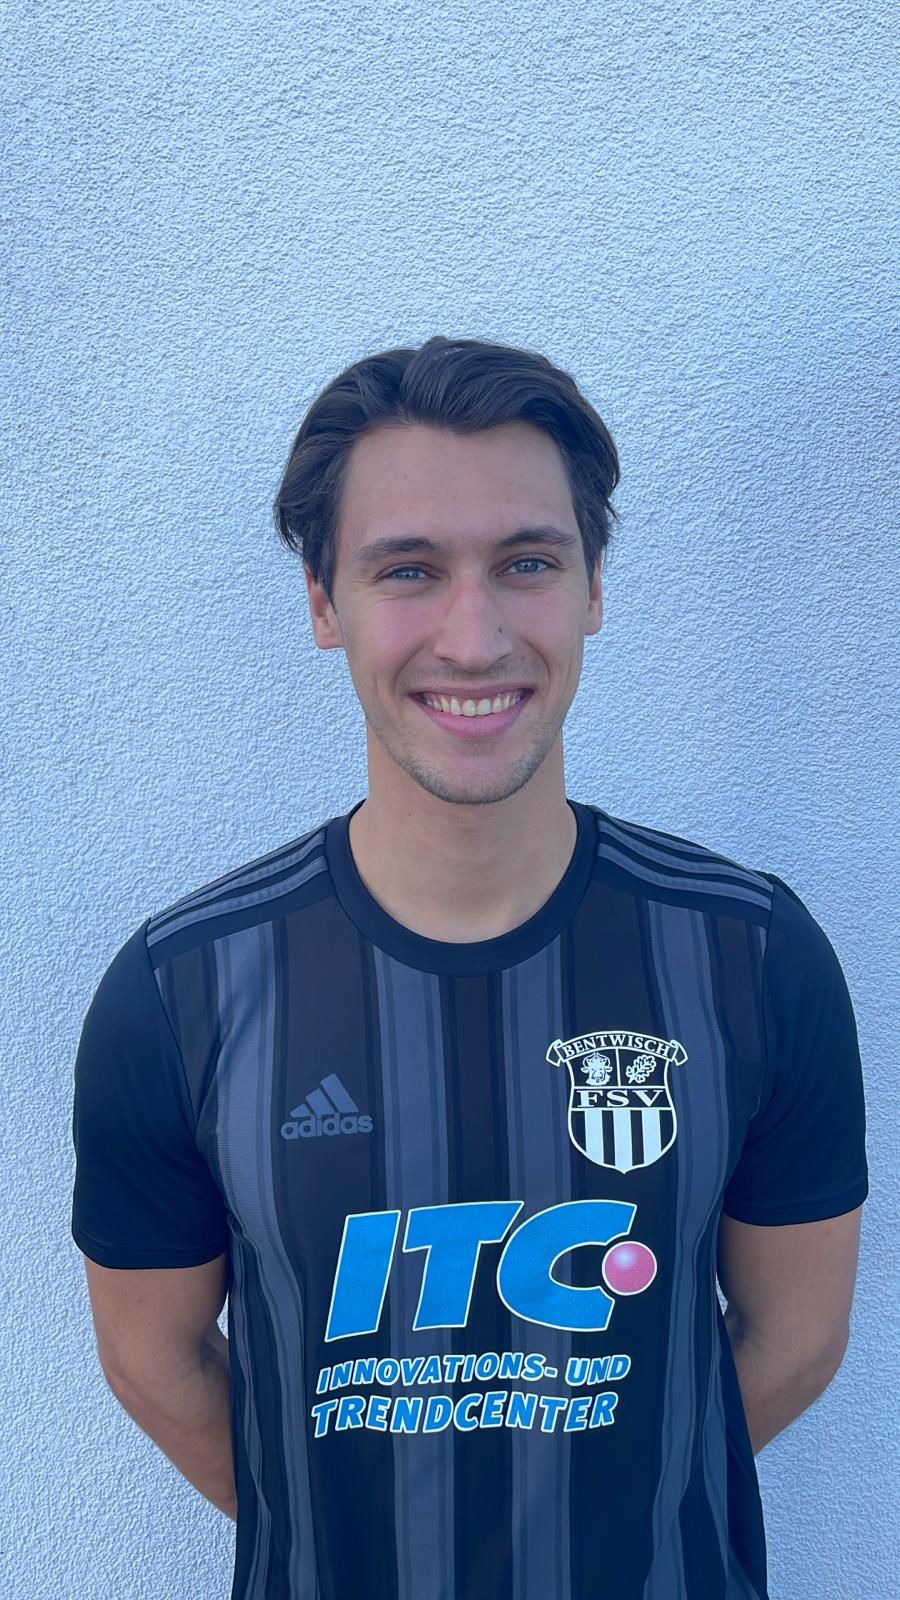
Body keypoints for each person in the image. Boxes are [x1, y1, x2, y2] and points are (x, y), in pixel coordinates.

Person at [71, 335, 868, 1600]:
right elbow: (153, 1358)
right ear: (323, 602)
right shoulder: (182, 993)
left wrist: (612, 1522)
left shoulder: (750, 955)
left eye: (527, 562)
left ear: (592, 585)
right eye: (409, 570)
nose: (475, 634)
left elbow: (797, 1334)